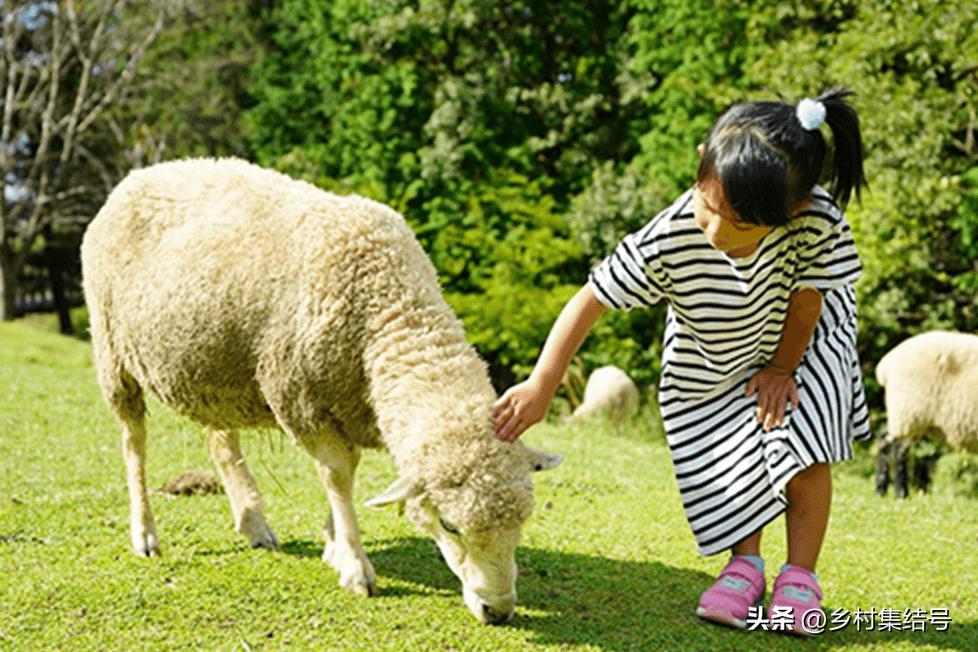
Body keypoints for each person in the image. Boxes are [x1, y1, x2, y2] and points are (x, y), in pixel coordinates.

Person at [492, 88, 870, 635]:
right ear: (701, 162)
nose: (716, 233)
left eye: (740, 227)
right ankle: (745, 568)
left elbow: (809, 300)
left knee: (799, 440)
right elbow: (591, 297)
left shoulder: (816, 220)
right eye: (710, 208)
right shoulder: (670, 235)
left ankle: (800, 578)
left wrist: (783, 371)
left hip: (804, 343)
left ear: (792, 212)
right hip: (716, 348)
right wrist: (542, 383)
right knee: (738, 447)